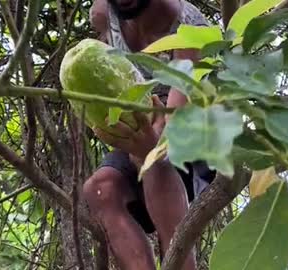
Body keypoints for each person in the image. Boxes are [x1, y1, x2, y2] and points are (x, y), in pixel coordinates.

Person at [82, 0, 216, 269]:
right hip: (144, 114)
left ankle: (180, 265)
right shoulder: (104, 15)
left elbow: (172, 125)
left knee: (153, 157)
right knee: (100, 189)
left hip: (196, 127)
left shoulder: (190, 31)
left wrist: (144, 146)